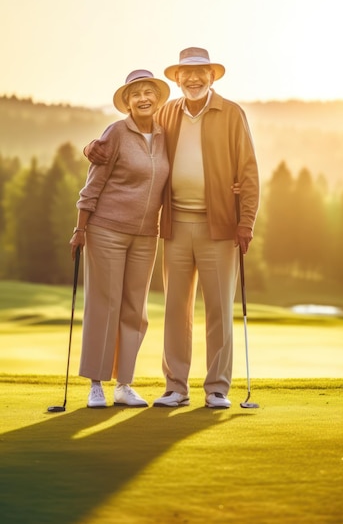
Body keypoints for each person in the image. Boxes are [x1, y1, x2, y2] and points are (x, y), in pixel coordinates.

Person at [84, 47, 259, 409]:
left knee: (218, 310)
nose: (193, 79)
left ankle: (217, 389)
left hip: (220, 226)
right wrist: (91, 147)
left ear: (212, 76)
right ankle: (176, 387)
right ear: (177, 79)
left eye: (201, 73)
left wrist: (247, 221)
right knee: (176, 309)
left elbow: (248, 170)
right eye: (186, 73)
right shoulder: (165, 112)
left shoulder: (231, 113)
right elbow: (130, 136)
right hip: (175, 224)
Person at [70, 69, 170, 408]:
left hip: (146, 236)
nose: (143, 98)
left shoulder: (165, 134)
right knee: (104, 305)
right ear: (127, 102)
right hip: (106, 230)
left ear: (157, 98)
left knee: (135, 311)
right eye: (135, 94)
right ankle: (96, 384)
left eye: (148, 92)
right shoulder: (115, 132)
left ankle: (124, 384)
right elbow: (92, 184)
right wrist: (80, 228)